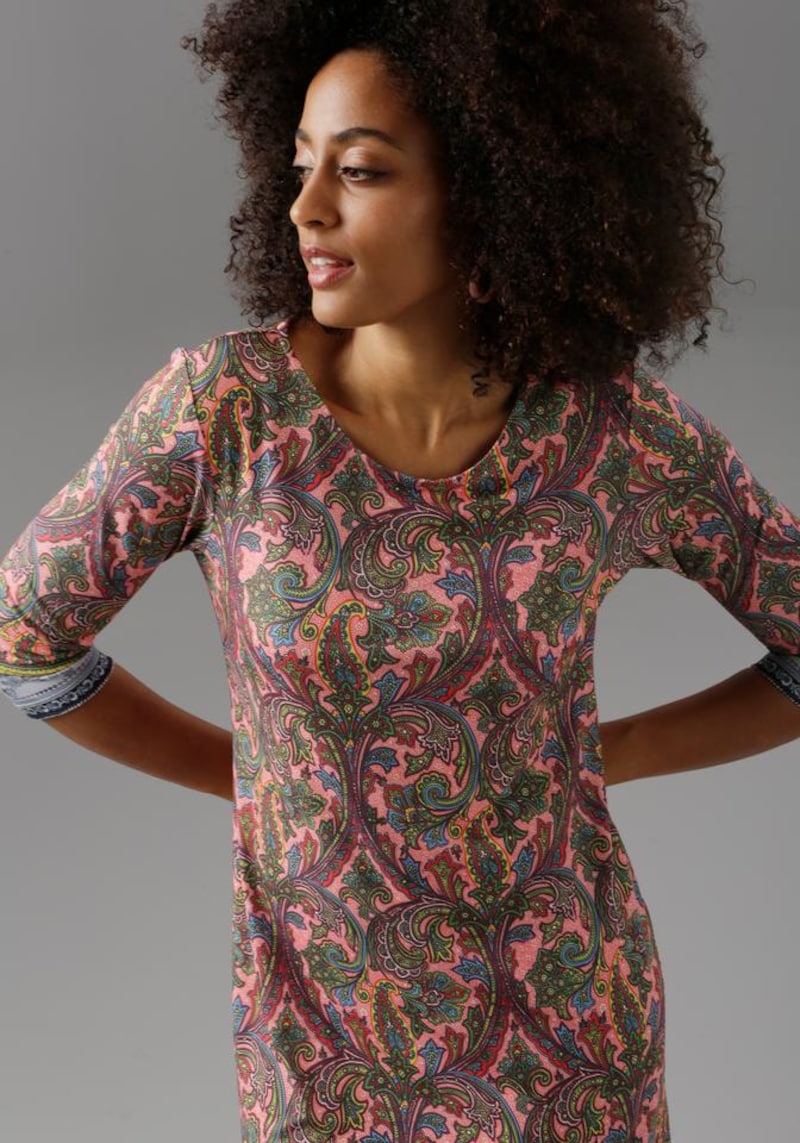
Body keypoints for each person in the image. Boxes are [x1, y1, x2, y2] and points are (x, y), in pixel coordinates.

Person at [1, 2, 798, 1140]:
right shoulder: (223, 413)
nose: (306, 208)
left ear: (492, 193)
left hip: (574, 1035)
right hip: (323, 1050)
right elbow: (24, 639)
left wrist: (600, 752)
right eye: (301, 167)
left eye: (361, 170)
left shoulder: (609, 434)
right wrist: (267, 783)